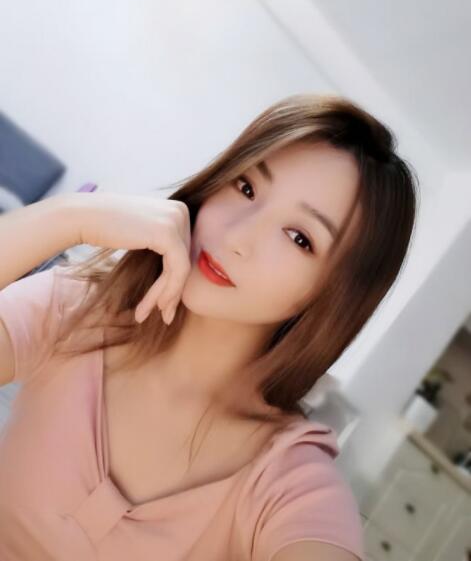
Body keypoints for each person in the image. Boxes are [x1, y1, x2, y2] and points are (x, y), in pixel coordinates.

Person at [0, 93, 418, 561]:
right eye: (246, 187)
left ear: (333, 295)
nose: (238, 236)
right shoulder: (78, 309)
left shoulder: (290, 481)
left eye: (299, 237)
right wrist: (72, 216)